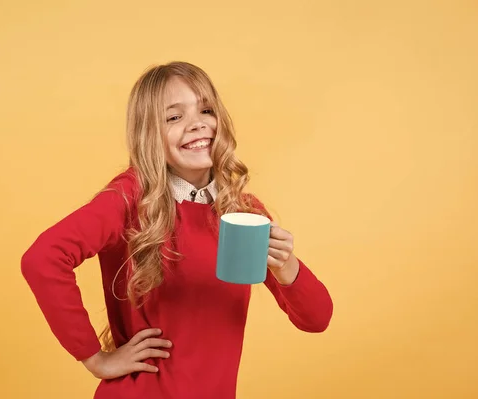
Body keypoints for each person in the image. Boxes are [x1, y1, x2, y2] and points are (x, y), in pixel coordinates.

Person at [21, 61, 333, 399]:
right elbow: (43, 258)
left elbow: (316, 319)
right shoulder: (129, 198)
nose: (197, 124)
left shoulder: (244, 212)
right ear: (148, 132)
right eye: (174, 117)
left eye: (206, 110)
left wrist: (286, 267)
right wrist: (95, 359)